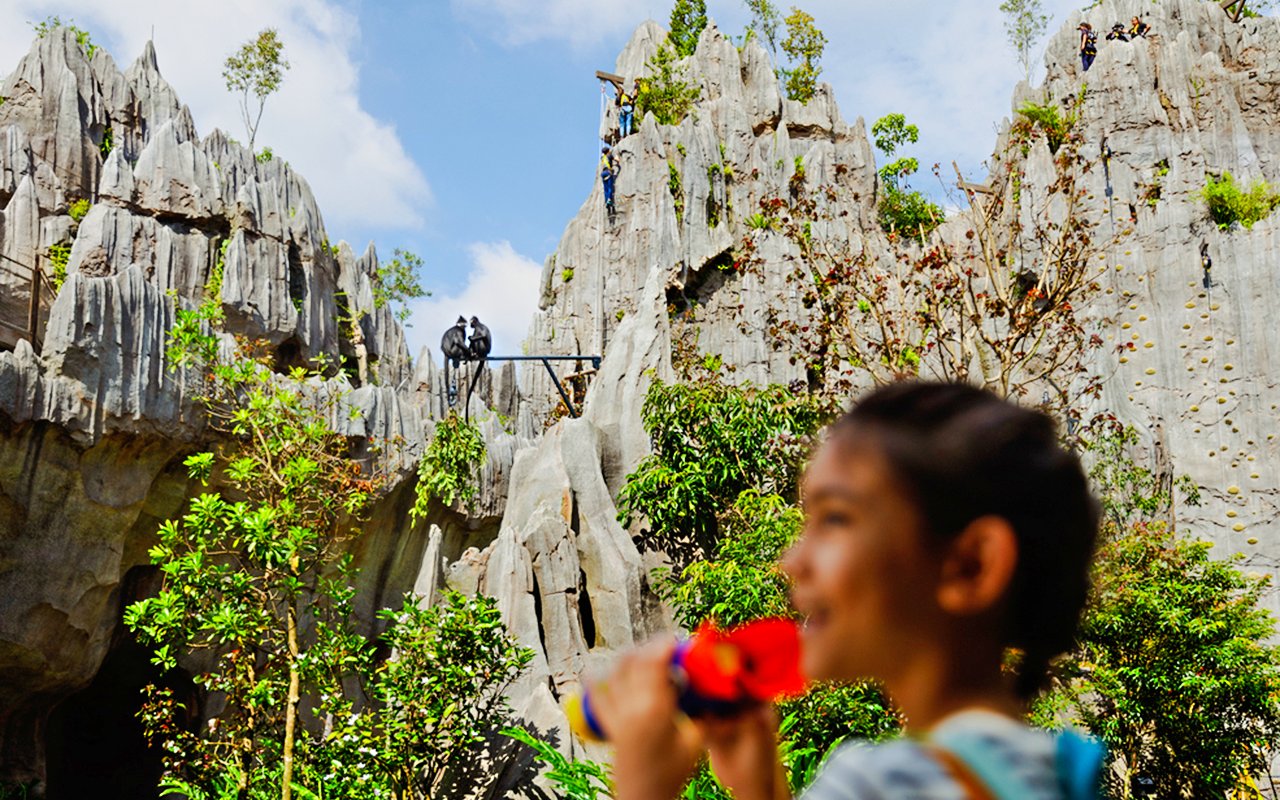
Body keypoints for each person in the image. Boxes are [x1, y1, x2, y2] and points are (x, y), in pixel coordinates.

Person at [588, 381, 1103, 800]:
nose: (792, 561)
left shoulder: (881, 784)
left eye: (835, 518)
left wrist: (642, 788)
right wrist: (761, 789)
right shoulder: (1054, 772)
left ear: (970, 565)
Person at [600, 146, 617, 215]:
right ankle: (609, 200)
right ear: (608, 151)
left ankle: (607, 200)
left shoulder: (603, 158)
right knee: (610, 187)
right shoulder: (609, 155)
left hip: (603, 173)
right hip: (608, 172)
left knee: (606, 189)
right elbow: (617, 160)